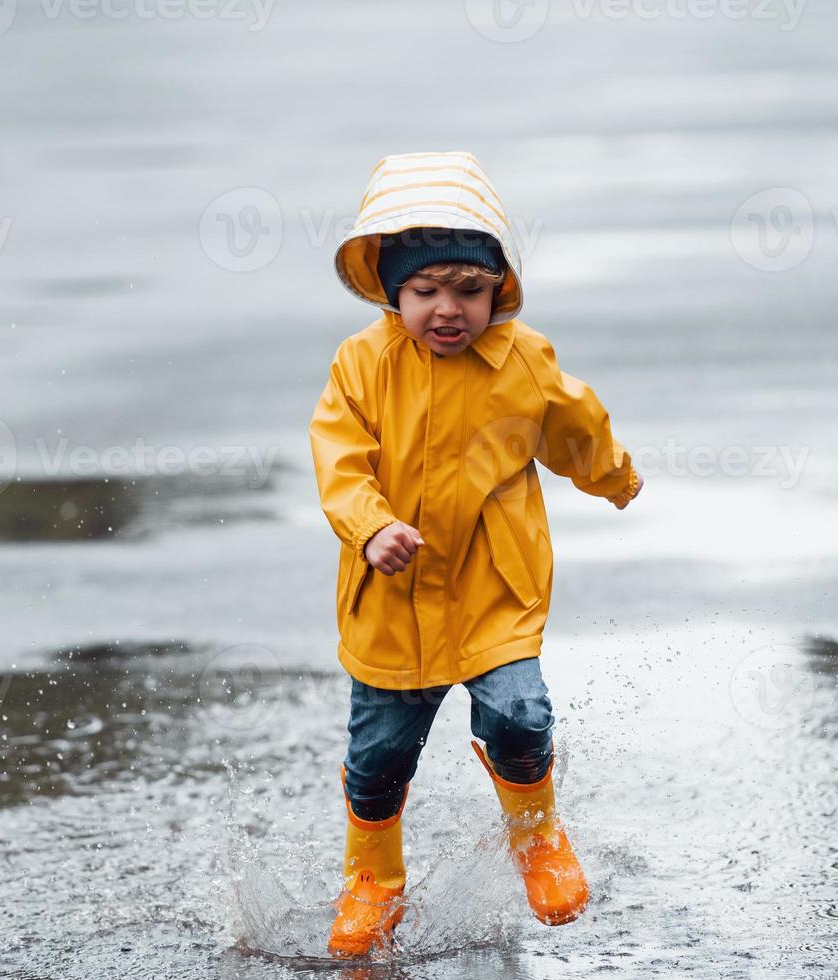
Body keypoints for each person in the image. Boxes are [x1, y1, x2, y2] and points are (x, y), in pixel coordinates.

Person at [307, 150, 643, 958]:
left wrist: (614, 477)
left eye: (468, 289)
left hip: (494, 586)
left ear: (500, 287)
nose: (447, 309)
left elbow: (575, 427)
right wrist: (370, 525)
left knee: (519, 715)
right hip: (390, 595)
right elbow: (339, 457)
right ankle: (373, 879)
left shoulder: (522, 359)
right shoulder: (363, 363)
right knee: (380, 753)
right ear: (394, 290)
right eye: (425, 291)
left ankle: (538, 837)